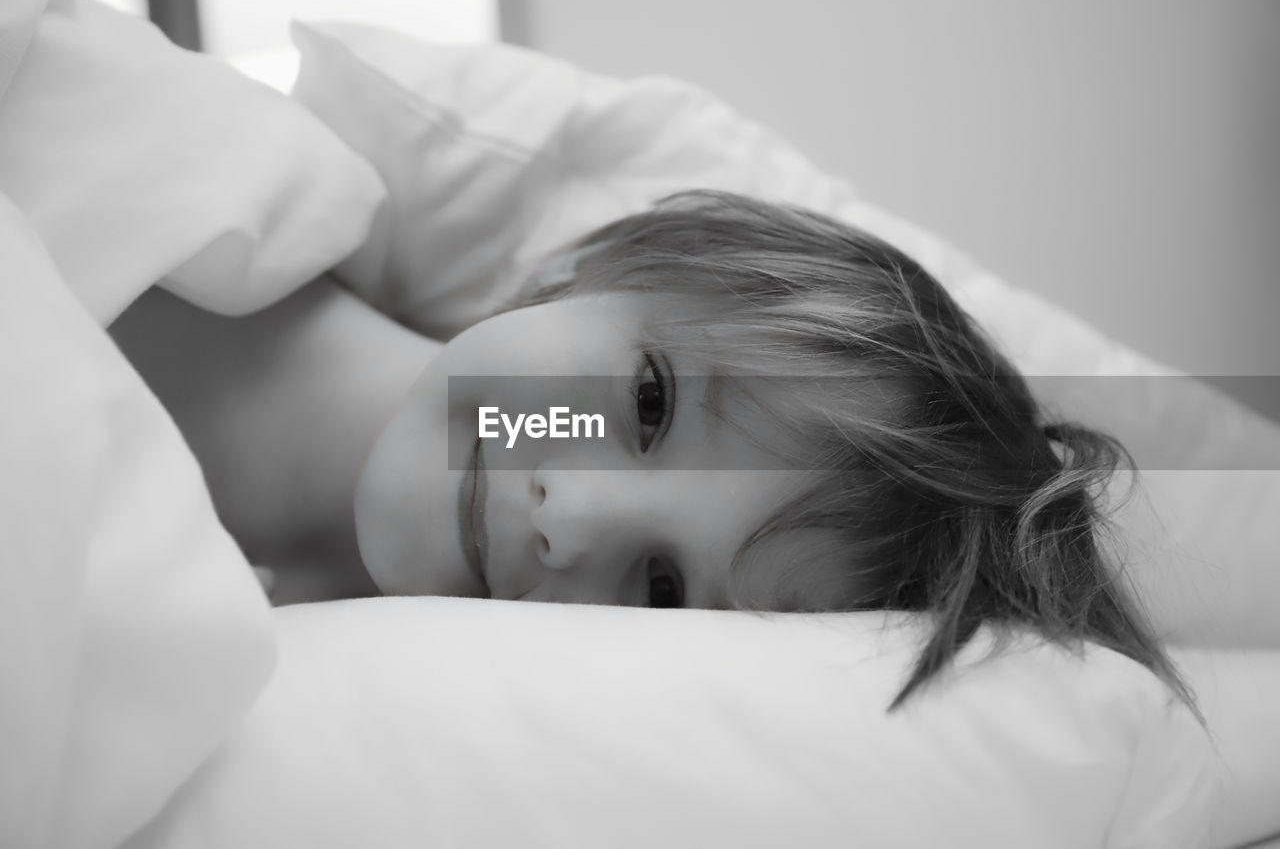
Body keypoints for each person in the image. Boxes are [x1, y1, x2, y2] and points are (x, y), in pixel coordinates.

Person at [109, 189, 1191, 710]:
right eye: (647, 401)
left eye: (664, 590)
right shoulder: (216, 193)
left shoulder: (263, 698)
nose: (566, 520)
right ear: (608, 264)